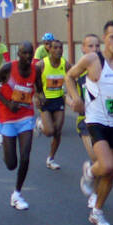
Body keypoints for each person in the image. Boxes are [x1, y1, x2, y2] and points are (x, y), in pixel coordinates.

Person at [65, 21, 113, 225]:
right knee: (105, 165)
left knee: (112, 170)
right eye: (112, 37)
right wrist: (75, 98)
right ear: (104, 39)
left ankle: (97, 211)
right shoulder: (91, 60)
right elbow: (69, 77)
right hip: (96, 119)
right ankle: (89, 172)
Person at [0, 41, 45, 210]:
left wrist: (41, 97)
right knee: (11, 164)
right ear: (18, 55)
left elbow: (39, 88)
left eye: (30, 53)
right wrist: (7, 102)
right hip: (7, 116)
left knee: (26, 156)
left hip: (26, 116)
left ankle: (17, 194)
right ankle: (0, 139)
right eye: (24, 53)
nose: (27, 57)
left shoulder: (36, 69)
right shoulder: (7, 68)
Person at [66, 34, 100, 208]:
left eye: (97, 46)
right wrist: (74, 101)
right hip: (85, 120)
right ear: (83, 49)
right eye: (91, 46)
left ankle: (96, 189)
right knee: (96, 157)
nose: (94, 50)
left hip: (103, 121)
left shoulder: (103, 69)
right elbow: (67, 93)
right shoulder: (78, 72)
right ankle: (94, 194)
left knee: (105, 164)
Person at [36, 40, 71, 170]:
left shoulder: (65, 64)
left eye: (60, 48)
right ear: (49, 49)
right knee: (49, 131)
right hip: (45, 101)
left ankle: (51, 159)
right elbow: (34, 80)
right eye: (55, 48)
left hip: (58, 100)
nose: (58, 50)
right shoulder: (41, 64)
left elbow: (74, 76)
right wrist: (37, 96)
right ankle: (40, 124)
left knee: (57, 131)